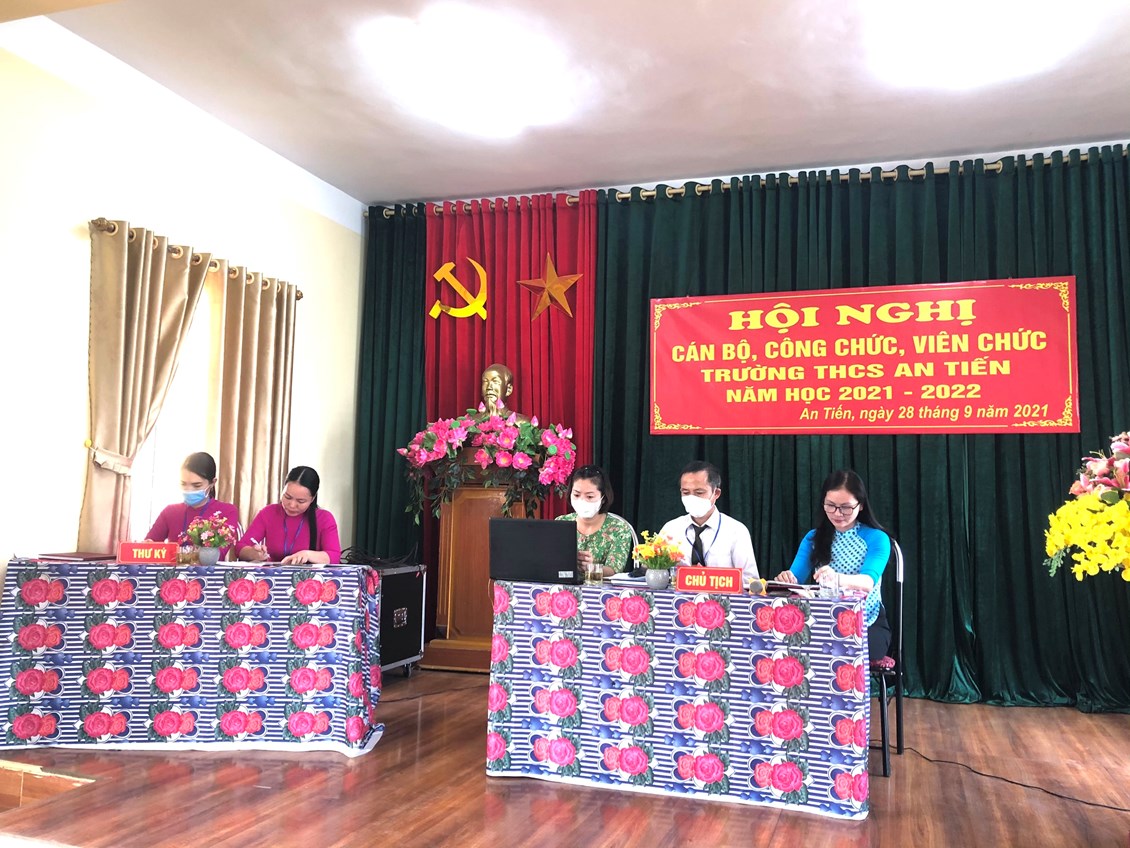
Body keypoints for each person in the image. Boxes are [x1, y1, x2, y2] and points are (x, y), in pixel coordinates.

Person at [776, 469, 892, 662]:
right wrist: (787, 578)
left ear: (861, 505)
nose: (837, 513)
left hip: (866, 622)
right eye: (830, 506)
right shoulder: (813, 538)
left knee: (845, 649)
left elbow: (867, 582)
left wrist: (837, 579)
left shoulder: (876, 538)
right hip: (822, 620)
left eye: (846, 507)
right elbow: (795, 579)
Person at [658, 460, 759, 588]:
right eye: (686, 493)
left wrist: (711, 579)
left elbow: (751, 582)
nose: (691, 498)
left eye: (699, 492)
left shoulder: (736, 531)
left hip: (723, 599)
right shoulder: (671, 529)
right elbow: (655, 573)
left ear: (716, 493)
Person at [235, 466, 342, 565]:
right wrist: (254, 553)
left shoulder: (324, 518)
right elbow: (240, 548)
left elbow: (334, 556)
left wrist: (307, 555)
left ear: (312, 499)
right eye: (287, 497)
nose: (292, 505)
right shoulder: (269, 513)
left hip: (310, 578)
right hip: (272, 576)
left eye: (300, 501)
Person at [146, 452, 241, 558]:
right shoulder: (170, 511)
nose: (189, 490)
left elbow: (217, 554)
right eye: (183, 484)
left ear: (212, 483)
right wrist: (147, 546)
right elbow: (149, 547)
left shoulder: (227, 511)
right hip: (173, 568)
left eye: (197, 485)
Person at [554, 465, 634, 578]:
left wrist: (592, 568)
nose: (582, 501)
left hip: (600, 587)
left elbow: (614, 570)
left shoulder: (619, 528)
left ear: (603, 498)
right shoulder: (561, 522)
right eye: (576, 495)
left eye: (590, 496)